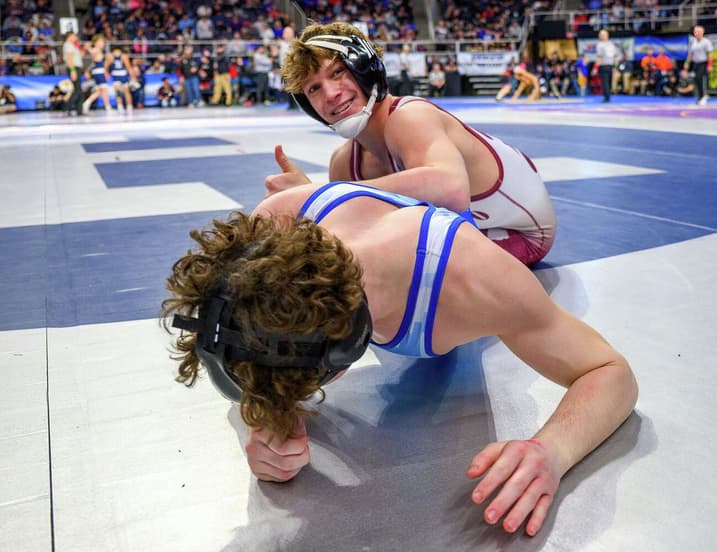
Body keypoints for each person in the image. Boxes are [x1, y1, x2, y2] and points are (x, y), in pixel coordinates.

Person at [162, 181, 638, 537]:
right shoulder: (273, 227)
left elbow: (610, 372)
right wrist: (268, 417)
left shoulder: (474, 280)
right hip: (350, 210)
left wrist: (550, 451)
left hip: (507, 218)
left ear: (344, 351)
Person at [272, 22, 557, 265]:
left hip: (516, 231)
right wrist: (307, 205)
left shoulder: (409, 116)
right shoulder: (344, 161)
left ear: (366, 69)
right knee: (344, 256)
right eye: (314, 88)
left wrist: (323, 193)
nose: (331, 94)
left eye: (337, 72)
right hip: (476, 225)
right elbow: (346, 231)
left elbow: (450, 189)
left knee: (385, 263)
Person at [82, 35, 112, 114]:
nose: (103, 44)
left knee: (100, 91)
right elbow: (92, 52)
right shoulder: (96, 49)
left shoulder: (99, 50)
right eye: (101, 42)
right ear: (96, 42)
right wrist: (88, 47)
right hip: (99, 72)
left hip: (99, 71)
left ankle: (88, 103)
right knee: (103, 90)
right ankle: (107, 107)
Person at [684, 25, 713, 105]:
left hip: (703, 63)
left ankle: (704, 96)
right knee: (696, 80)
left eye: (698, 32)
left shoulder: (706, 42)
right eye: (695, 32)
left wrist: (710, 65)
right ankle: (699, 97)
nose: (697, 33)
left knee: (701, 79)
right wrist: (686, 64)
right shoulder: (692, 42)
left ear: (702, 32)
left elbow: (710, 54)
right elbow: (690, 55)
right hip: (696, 63)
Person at [106, 45, 136, 114]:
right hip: (122, 74)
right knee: (125, 91)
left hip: (116, 75)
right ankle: (128, 106)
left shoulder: (110, 56)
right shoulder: (123, 56)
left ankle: (121, 107)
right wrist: (132, 76)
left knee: (118, 92)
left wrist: (107, 73)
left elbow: (106, 67)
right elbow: (128, 67)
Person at [61, 31, 84, 116]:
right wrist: (73, 70)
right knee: (76, 90)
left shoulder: (74, 45)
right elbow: (69, 58)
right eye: (74, 35)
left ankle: (79, 110)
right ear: (70, 36)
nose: (76, 37)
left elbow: (79, 56)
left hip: (77, 67)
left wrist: (83, 48)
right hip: (73, 67)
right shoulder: (68, 45)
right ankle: (67, 108)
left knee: (79, 90)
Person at [594, 29, 618, 103]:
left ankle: (607, 97)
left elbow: (599, 57)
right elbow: (616, 57)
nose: (600, 36)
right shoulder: (612, 44)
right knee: (607, 83)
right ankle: (608, 96)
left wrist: (595, 68)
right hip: (610, 66)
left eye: (601, 35)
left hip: (604, 66)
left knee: (605, 83)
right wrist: (615, 68)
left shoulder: (600, 45)